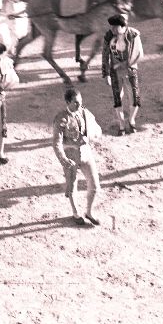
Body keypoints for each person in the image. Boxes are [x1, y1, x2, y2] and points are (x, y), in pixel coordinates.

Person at [52, 88, 103, 226]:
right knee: (72, 185)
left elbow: (98, 130)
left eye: (80, 102)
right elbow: (56, 142)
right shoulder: (61, 118)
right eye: (75, 103)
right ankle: (75, 213)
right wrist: (63, 158)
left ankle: (89, 212)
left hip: (86, 152)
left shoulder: (85, 113)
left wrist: (92, 137)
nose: (79, 105)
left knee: (94, 184)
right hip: (71, 156)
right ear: (68, 102)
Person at [101, 14, 144, 136]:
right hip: (115, 73)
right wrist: (106, 74)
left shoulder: (134, 35)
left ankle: (131, 120)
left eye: (115, 27)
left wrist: (124, 65)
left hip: (130, 70)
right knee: (117, 99)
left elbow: (139, 55)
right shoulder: (109, 36)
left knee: (135, 99)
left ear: (122, 26)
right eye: (112, 27)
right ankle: (121, 125)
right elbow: (105, 55)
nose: (112, 30)